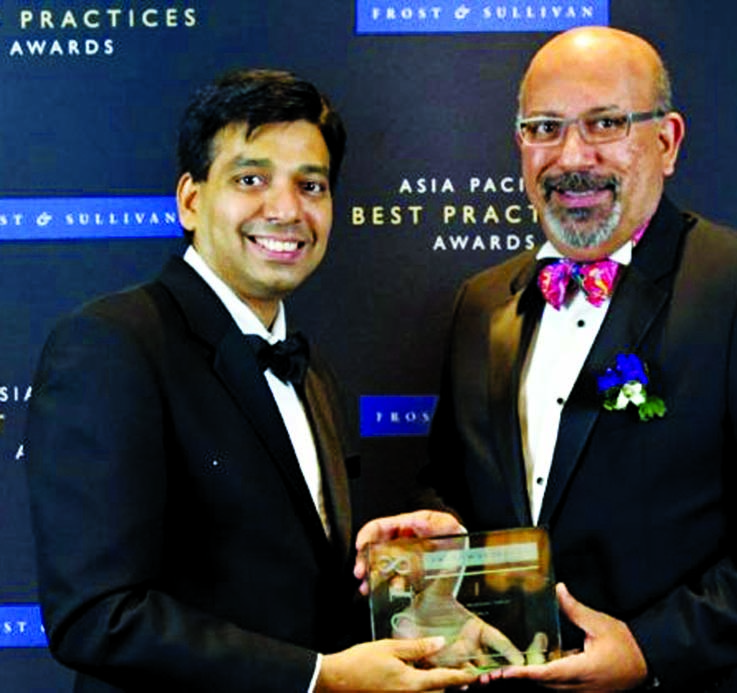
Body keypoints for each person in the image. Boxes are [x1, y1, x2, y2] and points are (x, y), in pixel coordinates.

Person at [356, 27, 737, 692]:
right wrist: (446, 535)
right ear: (520, 144)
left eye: (606, 123)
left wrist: (652, 648)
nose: (572, 156)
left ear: (668, 140)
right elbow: (454, 479)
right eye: (545, 127)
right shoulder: (480, 302)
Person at [25, 68, 478, 693]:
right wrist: (320, 678)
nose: (286, 210)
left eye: (311, 185)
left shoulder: (313, 373)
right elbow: (97, 617)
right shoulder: (112, 345)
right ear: (190, 198)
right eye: (250, 179)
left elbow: (290, 592)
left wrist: (399, 576)